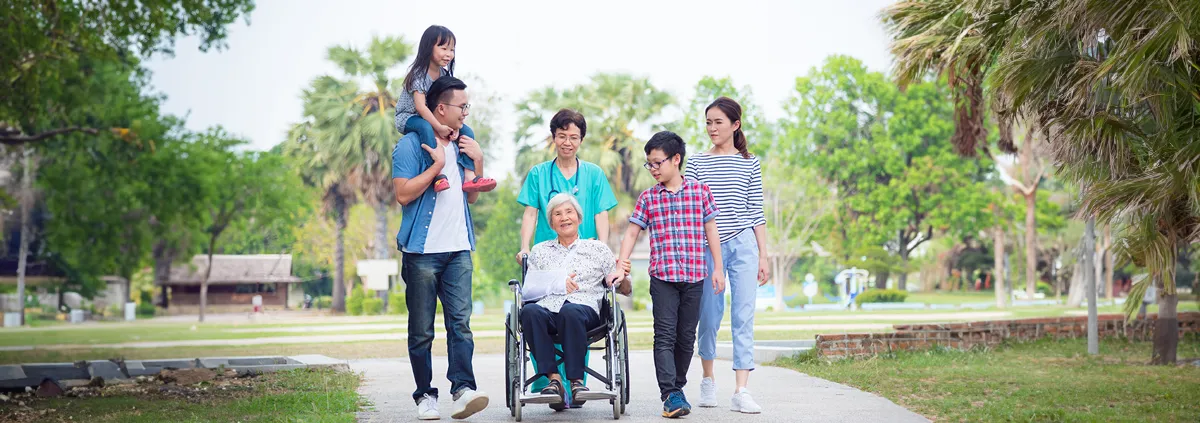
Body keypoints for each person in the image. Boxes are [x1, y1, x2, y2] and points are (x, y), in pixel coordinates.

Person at [392, 74, 489, 421]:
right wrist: (436, 165)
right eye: (462, 107)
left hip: (458, 249)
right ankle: (424, 396)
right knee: (422, 330)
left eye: (468, 106)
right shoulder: (410, 146)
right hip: (421, 254)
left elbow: (473, 195)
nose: (466, 112)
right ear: (441, 108)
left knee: (460, 325)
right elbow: (403, 194)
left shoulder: (464, 142)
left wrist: (477, 161)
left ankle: (463, 389)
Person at [610, 131, 725, 419]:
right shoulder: (648, 197)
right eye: (649, 164)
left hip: (695, 276)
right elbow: (633, 231)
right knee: (664, 335)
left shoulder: (700, 191)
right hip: (662, 278)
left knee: (686, 338)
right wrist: (622, 263)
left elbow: (712, 230)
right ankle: (670, 394)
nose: (653, 169)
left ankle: (677, 388)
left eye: (657, 163)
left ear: (676, 160)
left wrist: (719, 269)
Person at [515, 108, 619, 403]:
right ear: (554, 138)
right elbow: (531, 212)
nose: (568, 142)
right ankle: (550, 384)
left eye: (574, 137)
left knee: (575, 308)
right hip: (549, 258)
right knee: (537, 310)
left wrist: (603, 248)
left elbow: (601, 213)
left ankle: (576, 384)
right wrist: (525, 247)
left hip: (583, 257)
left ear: (581, 140)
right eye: (562, 136)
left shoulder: (594, 174)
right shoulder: (538, 173)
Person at [687, 97, 768, 414]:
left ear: (735, 124)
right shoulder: (696, 163)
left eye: (718, 122)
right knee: (708, 316)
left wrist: (763, 256)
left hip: (744, 245)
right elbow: (692, 211)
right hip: (708, 248)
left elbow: (756, 211)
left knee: (743, 317)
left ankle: (741, 390)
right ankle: (708, 380)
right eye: (708, 122)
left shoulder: (750, 163)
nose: (712, 128)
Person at [519, 193, 632, 410]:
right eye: (557, 214)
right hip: (547, 309)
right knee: (529, 312)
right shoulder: (540, 251)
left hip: (585, 310)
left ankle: (576, 382)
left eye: (569, 212)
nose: (564, 218)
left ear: (579, 218)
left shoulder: (597, 249)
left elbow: (623, 288)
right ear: (551, 223)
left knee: (570, 312)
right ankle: (554, 380)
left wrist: (623, 276)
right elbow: (530, 290)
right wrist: (557, 283)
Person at [395, 24, 495, 194]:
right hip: (409, 117)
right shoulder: (419, 74)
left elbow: (447, 106)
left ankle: (470, 176)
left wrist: (455, 128)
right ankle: (437, 174)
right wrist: (440, 127)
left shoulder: (443, 75)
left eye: (452, 50)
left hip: (431, 116)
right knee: (425, 127)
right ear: (428, 47)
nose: (449, 54)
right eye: (443, 48)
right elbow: (421, 107)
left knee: (467, 132)